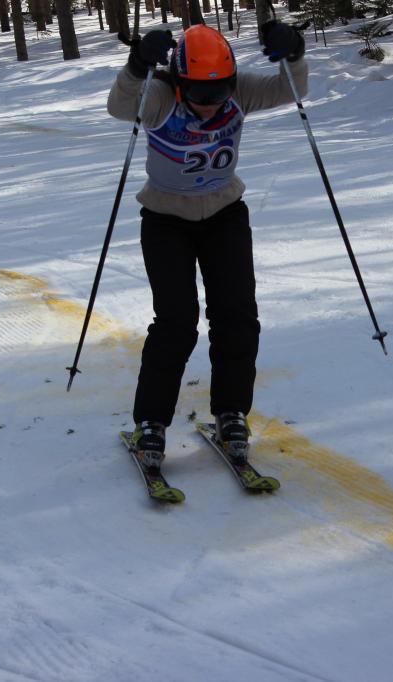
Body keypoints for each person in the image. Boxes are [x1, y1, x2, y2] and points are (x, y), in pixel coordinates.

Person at [107, 21, 308, 469]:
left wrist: (293, 51)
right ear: (178, 81)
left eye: (217, 93)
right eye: (197, 93)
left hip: (224, 216)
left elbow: (291, 89)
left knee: (237, 316)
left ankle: (231, 412)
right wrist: (138, 65)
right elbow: (120, 107)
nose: (207, 103)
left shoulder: (238, 91)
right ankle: (152, 422)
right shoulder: (158, 96)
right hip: (165, 220)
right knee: (176, 323)